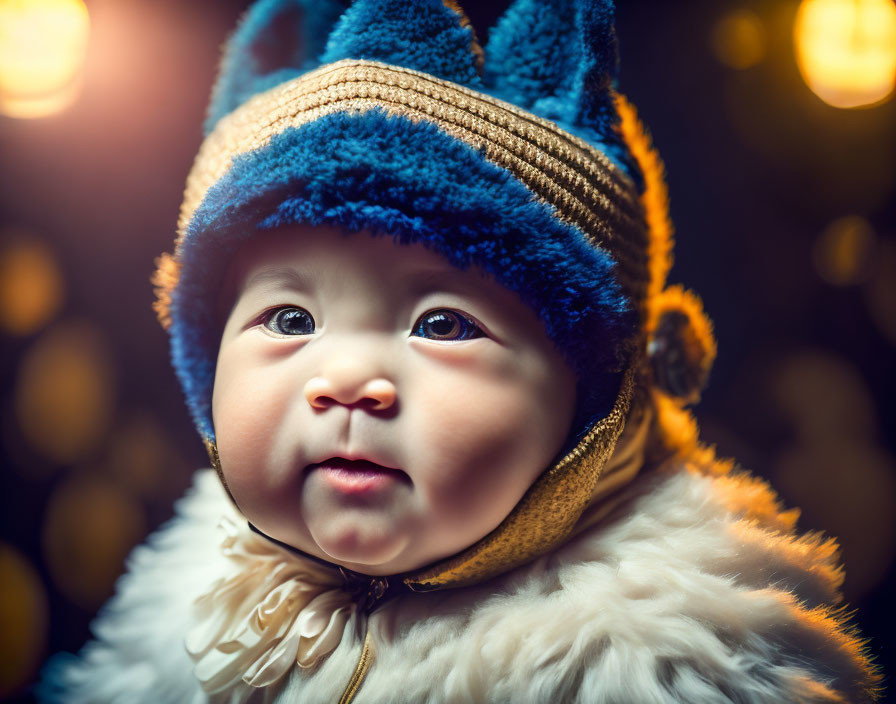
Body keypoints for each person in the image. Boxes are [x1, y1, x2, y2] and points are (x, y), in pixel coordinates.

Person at [40, 0, 881, 701]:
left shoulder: (676, 661)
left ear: (596, 400)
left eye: (442, 325)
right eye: (290, 320)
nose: (345, 382)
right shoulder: (182, 610)